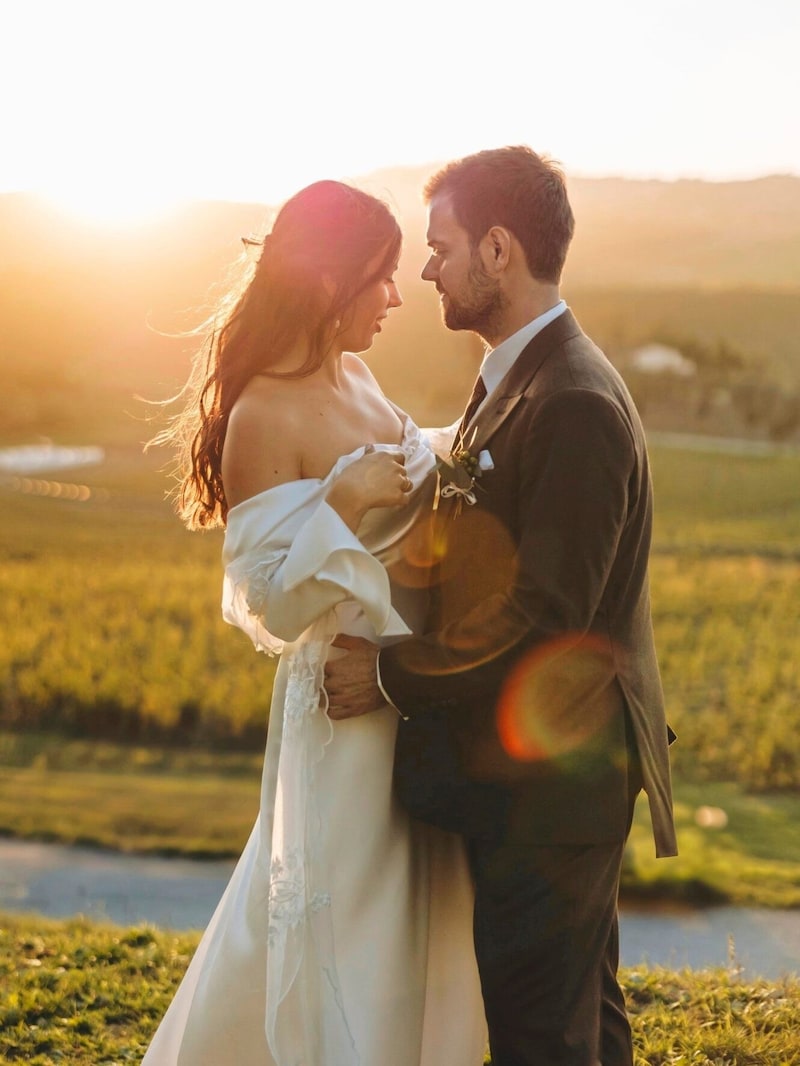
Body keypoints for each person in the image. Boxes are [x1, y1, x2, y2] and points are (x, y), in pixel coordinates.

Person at [324, 147, 678, 1066]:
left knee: (538, 1037)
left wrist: (391, 674)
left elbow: (544, 615)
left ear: (497, 249)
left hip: (554, 788)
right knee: (580, 1026)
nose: (425, 268)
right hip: (542, 780)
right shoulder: (520, 379)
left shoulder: (572, 404)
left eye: (439, 247)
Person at [142, 180, 486, 1066]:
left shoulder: (361, 375)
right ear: (332, 283)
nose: (399, 295)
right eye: (380, 277)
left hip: (404, 687)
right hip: (340, 711)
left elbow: (419, 476)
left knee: (409, 902)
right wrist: (335, 504)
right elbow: (265, 601)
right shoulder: (263, 414)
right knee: (344, 910)